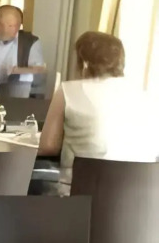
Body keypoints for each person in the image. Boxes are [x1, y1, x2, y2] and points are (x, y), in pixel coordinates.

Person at [37, 32, 158, 194]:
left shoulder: (68, 91)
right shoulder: (144, 95)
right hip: (140, 200)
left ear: (85, 63)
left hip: (81, 197)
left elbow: (48, 147)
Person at [0, 4, 46, 89]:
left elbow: (39, 76)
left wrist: (18, 71)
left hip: (16, 90)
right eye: (11, 26)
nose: (15, 30)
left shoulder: (30, 42)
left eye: (18, 25)